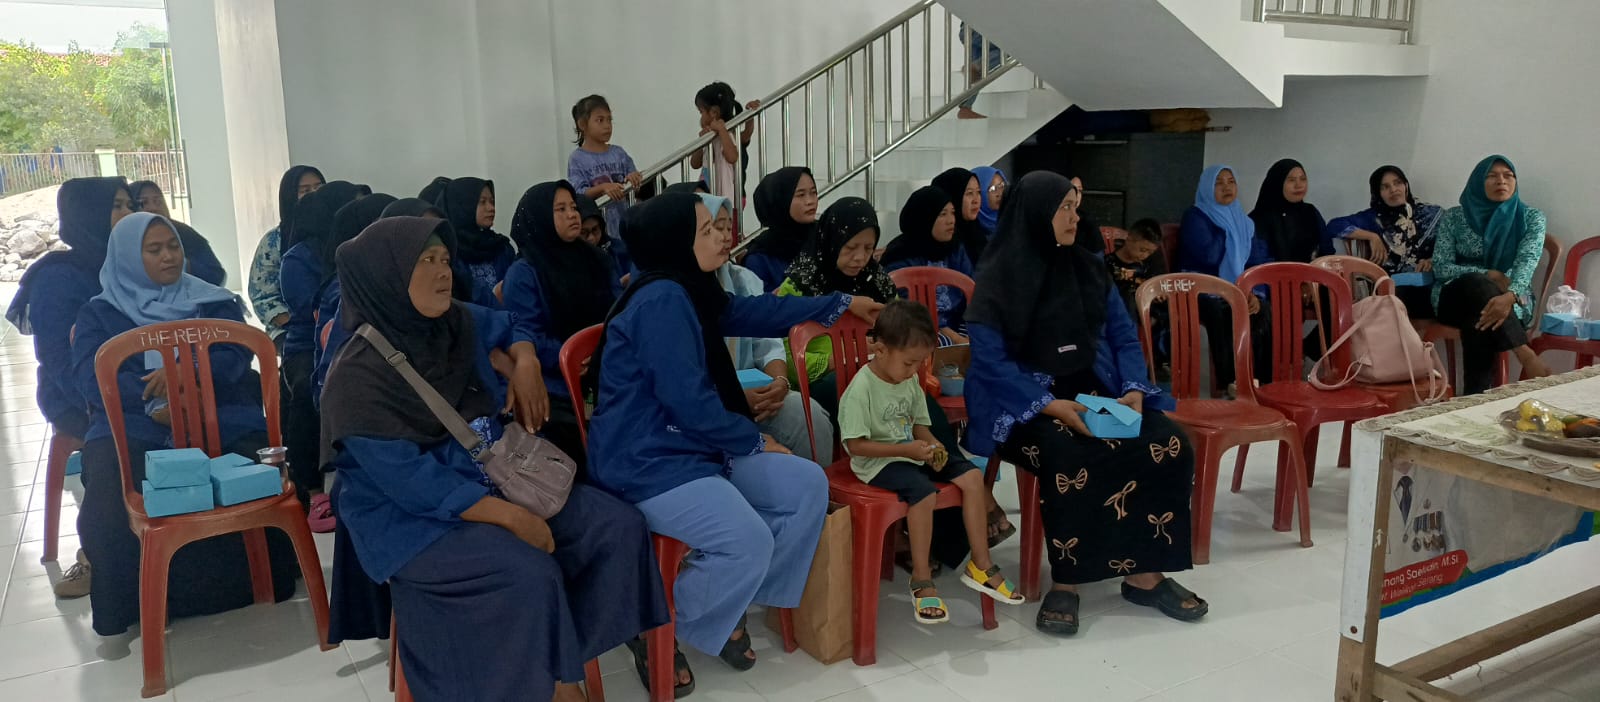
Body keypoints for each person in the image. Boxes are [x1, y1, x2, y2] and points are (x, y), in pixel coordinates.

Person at [321, 216, 667, 702]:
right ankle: (556, 685)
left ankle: (557, 663)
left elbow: (512, 323)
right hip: (410, 521)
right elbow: (411, 481)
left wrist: (524, 362)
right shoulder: (356, 377)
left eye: (445, 259)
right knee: (527, 572)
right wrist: (512, 517)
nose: (443, 272)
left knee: (618, 528)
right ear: (387, 275)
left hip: (490, 476)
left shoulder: (453, 321)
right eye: (426, 261)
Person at [587, 193, 879, 692]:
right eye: (707, 229)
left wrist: (840, 303)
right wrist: (753, 440)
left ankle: (728, 603)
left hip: (696, 444)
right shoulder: (661, 301)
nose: (723, 236)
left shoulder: (691, 287)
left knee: (807, 485)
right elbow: (687, 403)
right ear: (678, 240)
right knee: (749, 540)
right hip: (649, 460)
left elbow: (755, 312)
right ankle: (655, 622)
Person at [965, 172, 1206, 636]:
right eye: (1064, 209)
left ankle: (1144, 574)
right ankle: (1067, 581)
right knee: (1070, 453)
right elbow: (991, 363)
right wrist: (1049, 405)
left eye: (1076, 207)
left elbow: (1123, 334)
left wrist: (1133, 388)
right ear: (1036, 214)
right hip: (1024, 403)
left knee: (1169, 443)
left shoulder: (1087, 267)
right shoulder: (999, 276)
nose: (1075, 218)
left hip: (1098, 390)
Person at [71, 212, 299, 636]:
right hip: (133, 422)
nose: (169, 257)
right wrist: (156, 401)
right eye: (154, 249)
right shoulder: (99, 314)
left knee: (257, 467)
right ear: (128, 257)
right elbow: (92, 377)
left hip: (219, 412)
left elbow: (235, 354)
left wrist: (188, 371)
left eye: (173, 246)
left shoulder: (212, 301)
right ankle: (133, 603)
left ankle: (260, 579)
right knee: (108, 484)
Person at [7, 177, 225, 598]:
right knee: (112, 446)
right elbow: (65, 365)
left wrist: (182, 385)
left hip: (160, 382)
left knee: (223, 421)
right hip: (82, 395)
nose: (129, 214)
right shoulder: (60, 277)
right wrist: (132, 402)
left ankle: (213, 549)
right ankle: (103, 554)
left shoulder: (142, 253)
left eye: (131, 205)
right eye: (118, 206)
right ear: (87, 214)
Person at [841, 299, 1024, 625]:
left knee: (971, 478)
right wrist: (908, 450)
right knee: (924, 494)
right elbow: (856, 446)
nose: (914, 371)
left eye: (919, 363)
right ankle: (922, 578)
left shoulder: (909, 380)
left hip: (912, 451)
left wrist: (933, 444)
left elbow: (919, 425)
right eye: (909, 362)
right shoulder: (861, 389)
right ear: (879, 350)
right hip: (877, 462)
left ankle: (981, 565)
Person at [704, 193, 834, 463]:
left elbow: (767, 344)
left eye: (729, 228)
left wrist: (779, 383)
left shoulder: (743, 280)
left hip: (757, 394)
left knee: (810, 415)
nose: (726, 237)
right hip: (707, 405)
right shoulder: (674, 293)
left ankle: (819, 483)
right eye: (715, 228)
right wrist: (735, 398)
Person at [504, 181, 621, 469]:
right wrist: (571, 356)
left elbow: (619, 312)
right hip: (557, 383)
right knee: (578, 449)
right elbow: (526, 332)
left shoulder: (597, 259)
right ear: (541, 216)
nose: (572, 215)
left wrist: (603, 349)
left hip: (607, 368)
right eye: (560, 209)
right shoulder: (524, 272)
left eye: (573, 207)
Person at [278, 181, 366, 527]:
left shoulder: (355, 247)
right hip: (306, 343)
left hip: (350, 334)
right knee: (307, 390)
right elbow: (309, 309)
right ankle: (312, 489)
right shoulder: (298, 258)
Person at [1431, 155, 1552, 394]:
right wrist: (1490, 274)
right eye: (1492, 176)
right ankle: (1524, 353)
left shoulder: (1531, 218)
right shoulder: (1454, 218)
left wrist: (1510, 295)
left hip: (1512, 298)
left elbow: (1527, 260)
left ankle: (1474, 399)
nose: (1501, 181)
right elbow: (1441, 267)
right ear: (1477, 181)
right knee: (1477, 282)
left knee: (1478, 317)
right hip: (1455, 296)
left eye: (1508, 175)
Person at [1177, 165, 1273, 393]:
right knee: (1222, 311)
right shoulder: (1195, 216)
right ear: (1207, 187)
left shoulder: (1243, 221)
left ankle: (1261, 382)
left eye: (1231, 181)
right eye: (1218, 183)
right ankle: (1229, 382)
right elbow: (1208, 257)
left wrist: (1255, 293)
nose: (1226, 187)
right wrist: (1226, 231)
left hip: (1234, 289)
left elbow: (1256, 263)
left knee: (1261, 310)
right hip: (1198, 289)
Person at [1325, 165, 1443, 318]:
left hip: (1425, 286)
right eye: (1385, 187)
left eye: (1397, 183)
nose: (1393, 190)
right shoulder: (1374, 217)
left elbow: (1451, 246)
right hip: (1388, 291)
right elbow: (1334, 226)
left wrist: (1432, 260)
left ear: (1406, 185)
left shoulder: (1431, 214)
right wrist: (1371, 236)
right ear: (1378, 193)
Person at [880, 186, 975, 346]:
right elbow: (911, 311)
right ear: (925, 218)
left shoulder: (955, 248)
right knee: (941, 343)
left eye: (952, 213)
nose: (951, 220)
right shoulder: (900, 255)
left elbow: (972, 291)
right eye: (942, 214)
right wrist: (958, 340)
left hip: (956, 322)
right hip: (918, 328)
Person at [250, 165, 324, 344]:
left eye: (319, 188)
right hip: (288, 327)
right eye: (305, 191)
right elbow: (263, 297)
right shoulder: (274, 241)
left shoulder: (335, 232)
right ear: (290, 196)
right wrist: (300, 326)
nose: (314, 195)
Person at [568, 94, 641, 269]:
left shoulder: (619, 153)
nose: (607, 125)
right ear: (583, 124)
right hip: (600, 231)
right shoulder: (577, 158)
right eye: (600, 120)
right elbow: (579, 193)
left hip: (626, 224)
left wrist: (634, 178)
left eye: (609, 120)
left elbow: (635, 180)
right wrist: (603, 188)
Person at [433, 177, 516, 307]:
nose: (491, 208)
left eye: (492, 201)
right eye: (482, 202)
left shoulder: (502, 247)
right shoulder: (448, 251)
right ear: (462, 206)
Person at [743, 166, 819, 291]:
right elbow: (763, 300)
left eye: (813, 192)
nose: (810, 201)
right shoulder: (760, 257)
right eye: (801, 195)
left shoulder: (824, 235)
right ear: (781, 200)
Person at [689, 81, 759, 208]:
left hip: (730, 200)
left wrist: (722, 130)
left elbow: (732, 156)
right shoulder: (710, 137)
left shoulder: (728, 135)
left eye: (701, 112)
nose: (700, 118)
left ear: (714, 113)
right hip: (710, 197)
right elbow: (694, 163)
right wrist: (702, 142)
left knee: (726, 221)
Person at [1250, 158, 1331, 264]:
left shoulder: (1310, 212)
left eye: (1303, 179)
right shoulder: (1259, 218)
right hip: (1274, 273)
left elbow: (1327, 251)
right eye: (1291, 180)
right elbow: (1259, 263)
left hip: (1312, 272)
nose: (1299, 185)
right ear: (1277, 183)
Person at [932, 167, 988, 262]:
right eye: (969, 193)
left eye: (978, 192)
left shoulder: (977, 231)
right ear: (955, 196)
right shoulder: (947, 241)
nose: (976, 200)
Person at [956, 22, 1004, 120]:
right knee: (1012, 49)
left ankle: (965, 108)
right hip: (981, 29)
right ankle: (978, 66)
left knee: (975, 74)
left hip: (967, 30)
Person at [972, 166, 1006, 237]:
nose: (999, 193)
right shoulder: (972, 233)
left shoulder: (1015, 217)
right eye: (992, 189)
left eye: (1001, 186)